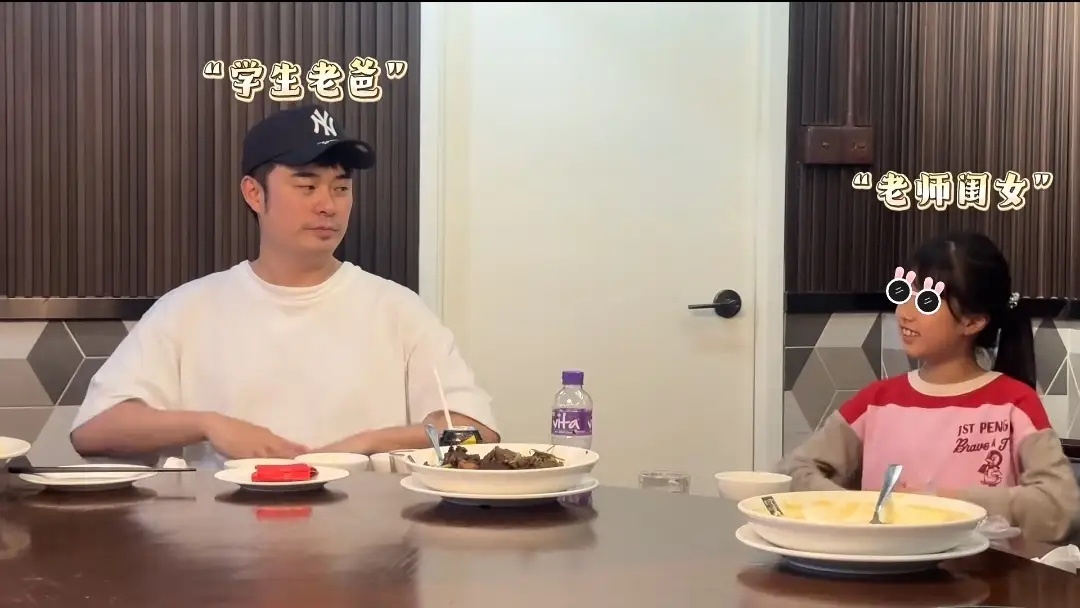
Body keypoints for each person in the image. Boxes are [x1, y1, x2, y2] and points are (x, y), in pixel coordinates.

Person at [69, 105, 500, 468]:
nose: (328, 205)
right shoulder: (188, 308)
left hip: (367, 535)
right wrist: (209, 424)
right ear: (254, 194)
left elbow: (477, 433)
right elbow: (93, 431)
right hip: (221, 535)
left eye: (341, 188)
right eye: (307, 186)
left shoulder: (397, 309)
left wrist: (367, 443)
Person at [779, 231, 1080, 543]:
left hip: (986, 572)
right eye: (904, 294)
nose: (905, 313)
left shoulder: (1014, 403)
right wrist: (854, 507)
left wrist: (949, 504)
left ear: (973, 322)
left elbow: (1061, 509)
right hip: (883, 567)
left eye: (926, 301)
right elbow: (793, 471)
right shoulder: (876, 401)